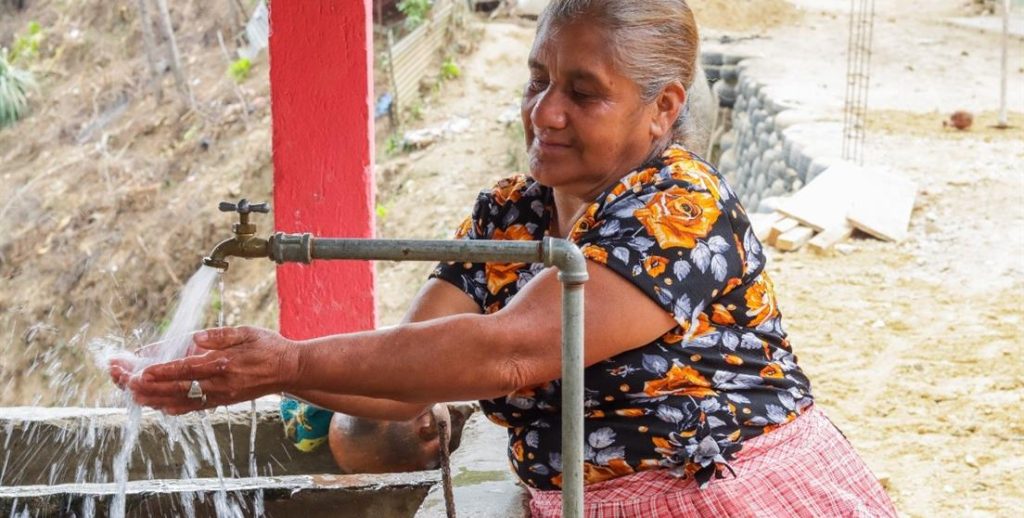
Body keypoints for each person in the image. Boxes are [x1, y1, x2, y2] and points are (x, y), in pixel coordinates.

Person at [111, 1, 897, 515]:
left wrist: (285, 365)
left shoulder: (677, 206)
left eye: (582, 93)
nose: (544, 112)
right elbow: (408, 381)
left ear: (664, 109)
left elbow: (513, 353)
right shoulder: (511, 208)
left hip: (725, 497)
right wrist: (229, 374)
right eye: (538, 80)